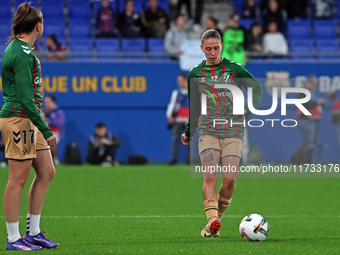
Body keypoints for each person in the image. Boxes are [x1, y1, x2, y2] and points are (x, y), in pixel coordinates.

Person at [181, 30, 263, 237]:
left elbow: (257, 89)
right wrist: (189, 131)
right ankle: (213, 220)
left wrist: (247, 109)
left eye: (216, 48)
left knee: (230, 181)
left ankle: (214, 224)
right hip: (208, 130)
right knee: (210, 176)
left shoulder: (234, 69)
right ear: (201, 49)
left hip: (232, 131)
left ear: (221, 47)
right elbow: (194, 106)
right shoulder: (195, 73)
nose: (212, 53)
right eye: (208, 49)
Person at [0, 3, 58, 250]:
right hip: (19, 119)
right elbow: (25, 98)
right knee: (17, 179)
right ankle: (13, 238)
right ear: (38, 26)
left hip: (28, 118)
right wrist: (46, 129)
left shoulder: (20, 49)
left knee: (46, 172)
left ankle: (33, 232)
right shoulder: (22, 53)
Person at [297, 76, 326, 160]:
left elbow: (316, 107)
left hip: (314, 120)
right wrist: (317, 102)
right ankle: (305, 161)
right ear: (308, 83)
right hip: (305, 120)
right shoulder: (303, 93)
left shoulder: (313, 93)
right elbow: (304, 106)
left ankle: (308, 161)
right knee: (309, 143)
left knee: (311, 142)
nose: (315, 86)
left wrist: (320, 104)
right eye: (313, 84)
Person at [167, 74, 189, 165]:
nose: (179, 83)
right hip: (178, 119)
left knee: (190, 140)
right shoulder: (176, 92)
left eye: (180, 81)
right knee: (175, 139)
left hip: (189, 120)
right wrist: (169, 115)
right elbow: (172, 104)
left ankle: (189, 160)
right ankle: (174, 159)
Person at [43, 95, 65, 166]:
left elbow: (59, 124)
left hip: (55, 132)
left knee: (51, 141)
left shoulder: (58, 112)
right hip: (43, 132)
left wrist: (47, 121)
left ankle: (54, 159)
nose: (46, 104)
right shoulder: (43, 111)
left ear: (53, 102)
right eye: (45, 102)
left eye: (48, 102)